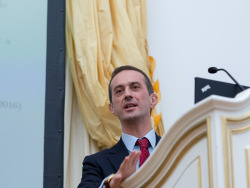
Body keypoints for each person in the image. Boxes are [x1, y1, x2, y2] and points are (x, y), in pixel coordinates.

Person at [78, 65, 161, 188]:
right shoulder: (96, 163)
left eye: (135, 87)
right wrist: (111, 185)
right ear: (112, 109)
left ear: (153, 99)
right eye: (119, 91)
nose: (127, 94)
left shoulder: (178, 150)